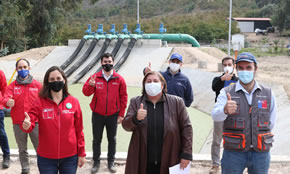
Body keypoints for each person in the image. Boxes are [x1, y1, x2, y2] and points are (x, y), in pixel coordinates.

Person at [212, 52, 276, 174]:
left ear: (255, 69)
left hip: (260, 154)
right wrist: (224, 110)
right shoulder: (226, 92)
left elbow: (271, 122)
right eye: (240, 68)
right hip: (233, 153)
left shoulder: (268, 94)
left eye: (248, 67)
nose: (244, 71)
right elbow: (215, 115)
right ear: (236, 68)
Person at [122, 71, 193, 174]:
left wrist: (186, 154)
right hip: (143, 160)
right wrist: (135, 118)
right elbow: (126, 125)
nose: (152, 84)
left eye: (155, 81)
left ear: (162, 84)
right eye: (149, 81)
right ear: (144, 85)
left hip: (170, 157)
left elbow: (187, 128)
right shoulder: (136, 102)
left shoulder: (177, 102)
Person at [22, 66, 86, 174]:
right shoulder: (39, 102)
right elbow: (30, 122)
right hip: (46, 158)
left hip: (70, 157)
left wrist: (81, 153)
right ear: (47, 82)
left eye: (58, 78)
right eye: (52, 79)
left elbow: (79, 130)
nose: (55, 81)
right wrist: (27, 125)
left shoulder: (74, 102)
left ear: (64, 80)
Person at [82, 53, 128, 173]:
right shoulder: (94, 77)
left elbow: (124, 97)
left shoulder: (119, 79)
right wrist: (91, 86)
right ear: (101, 63)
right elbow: (85, 93)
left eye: (109, 61)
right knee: (97, 139)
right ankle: (96, 162)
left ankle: (111, 162)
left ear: (113, 62)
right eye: (105, 62)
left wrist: (121, 114)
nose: (107, 64)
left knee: (112, 139)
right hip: (97, 114)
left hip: (113, 115)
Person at [2, 59, 41, 174]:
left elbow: (45, 101)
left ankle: (43, 167)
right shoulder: (13, 86)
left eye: (25, 67)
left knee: (40, 147)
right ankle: (25, 168)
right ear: (16, 70)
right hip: (18, 123)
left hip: (35, 123)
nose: (22, 69)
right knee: (22, 149)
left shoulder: (37, 85)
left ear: (29, 68)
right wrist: (7, 101)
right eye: (20, 68)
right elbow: (5, 97)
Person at [209, 56, 238, 174]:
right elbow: (214, 88)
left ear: (234, 66)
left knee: (234, 139)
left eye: (229, 64)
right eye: (225, 65)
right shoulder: (217, 79)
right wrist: (222, 79)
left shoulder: (238, 80)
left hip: (234, 113)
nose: (227, 67)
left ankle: (234, 162)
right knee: (217, 139)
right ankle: (215, 164)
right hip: (220, 113)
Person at [0, 70, 10, 169]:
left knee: (1, 133)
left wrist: (2, 103)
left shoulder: (0, 73)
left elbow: (4, 90)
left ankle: (6, 156)